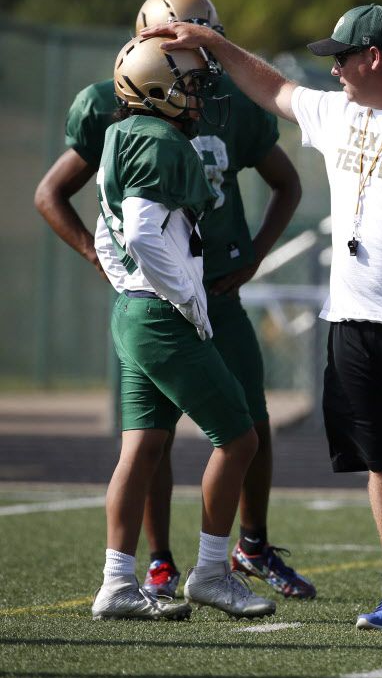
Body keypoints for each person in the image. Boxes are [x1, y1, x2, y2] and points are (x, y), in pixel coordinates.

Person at [141, 2, 382, 630]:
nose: (332, 70)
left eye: (340, 56)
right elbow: (274, 88)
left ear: (373, 57)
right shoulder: (338, 112)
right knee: (381, 460)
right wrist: (213, 44)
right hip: (352, 322)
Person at [35, 0, 313, 600]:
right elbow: (131, 225)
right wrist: (170, 290)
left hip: (167, 296)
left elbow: (124, 230)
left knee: (160, 440)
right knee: (228, 436)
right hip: (172, 302)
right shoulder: (143, 128)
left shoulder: (173, 116)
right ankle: (190, 568)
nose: (199, 76)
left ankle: (128, 579)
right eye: (183, 56)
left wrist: (134, 272)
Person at [90, 34, 274, 620]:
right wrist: (185, 298)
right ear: (153, 87)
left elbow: (106, 228)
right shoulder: (158, 138)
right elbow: (143, 232)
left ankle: (117, 583)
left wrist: (129, 288)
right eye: (188, 84)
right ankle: (212, 573)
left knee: (141, 449)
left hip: (134, 311)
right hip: (162, 314)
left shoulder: (122, 133)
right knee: (239, 438)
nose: (197, 94)